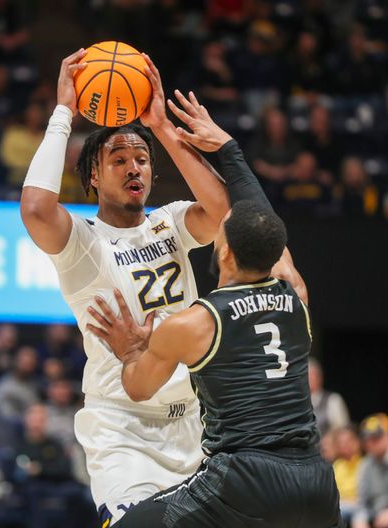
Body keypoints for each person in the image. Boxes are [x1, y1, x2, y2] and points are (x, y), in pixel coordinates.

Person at [18, 49, 229, 525]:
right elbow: (34, 209)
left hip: (197, 423)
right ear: (93, 175)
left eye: (142, 159)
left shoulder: (171, 222)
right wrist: (64, 112)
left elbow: (222, 212)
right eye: (119, 159)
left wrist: (162, 129)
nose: (135, 168)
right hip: (123, 427)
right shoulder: (82, 242)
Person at [87, 198, 340, 526]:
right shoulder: (296, 295)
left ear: (225, 253)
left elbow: (138, 388)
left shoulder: (194, 322)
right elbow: (265, 224)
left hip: (247, 478)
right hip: (317, 481)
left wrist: (130, 352)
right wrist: (230, 152)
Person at [309, 357, 350, 435]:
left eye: (311, 375)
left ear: (319, 377)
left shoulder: (333, 400)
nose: (308, 379)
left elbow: (342, 430)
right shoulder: (298, 402)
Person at [333, 425, 363, 522]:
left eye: (347, 441)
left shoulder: (365, 464)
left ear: (357, 442)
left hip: (359, 504)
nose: (343, 445)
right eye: (340, 443)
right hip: (341, 504)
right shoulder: (337, 465)